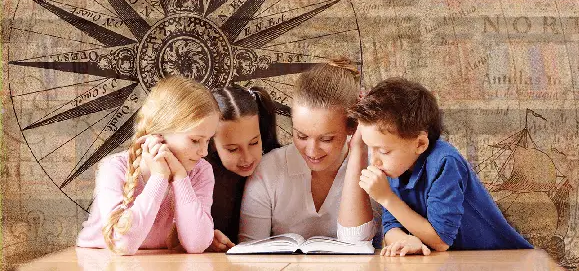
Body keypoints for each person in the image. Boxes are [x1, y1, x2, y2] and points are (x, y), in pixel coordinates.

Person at [348, 77, 533, 257]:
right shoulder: (393, 168)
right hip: (453, 262)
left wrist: (386, 198)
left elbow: (440, 241)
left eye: (383, 151)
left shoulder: (445, 162)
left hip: (503, 259)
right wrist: (406, 240)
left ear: (420, 143)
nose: (375, 162)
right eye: (370, 149)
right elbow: (391, 226)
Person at [239, 57, 380, 244]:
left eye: (326, 139)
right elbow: (248, 253)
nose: (312, 151)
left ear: (352, 127)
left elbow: (356, 243)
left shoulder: (376, 167)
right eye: (302, 136)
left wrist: (358, 150)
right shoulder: (268, 170)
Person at [77, 76, 220, 255]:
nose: (204, 152)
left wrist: (180, 177)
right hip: (98, 260)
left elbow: (197, 244)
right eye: (195, 140)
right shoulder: (114, 168)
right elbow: (122, 244)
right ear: (159, 132)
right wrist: (159, 177)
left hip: (162, 263)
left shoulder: (201, 171)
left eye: (208, 140)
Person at [206, 84, 281, 251]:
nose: (247, 158)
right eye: (232, 149)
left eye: (254, 142)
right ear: (211, 144)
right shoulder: (201, 176)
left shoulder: (276, 164)